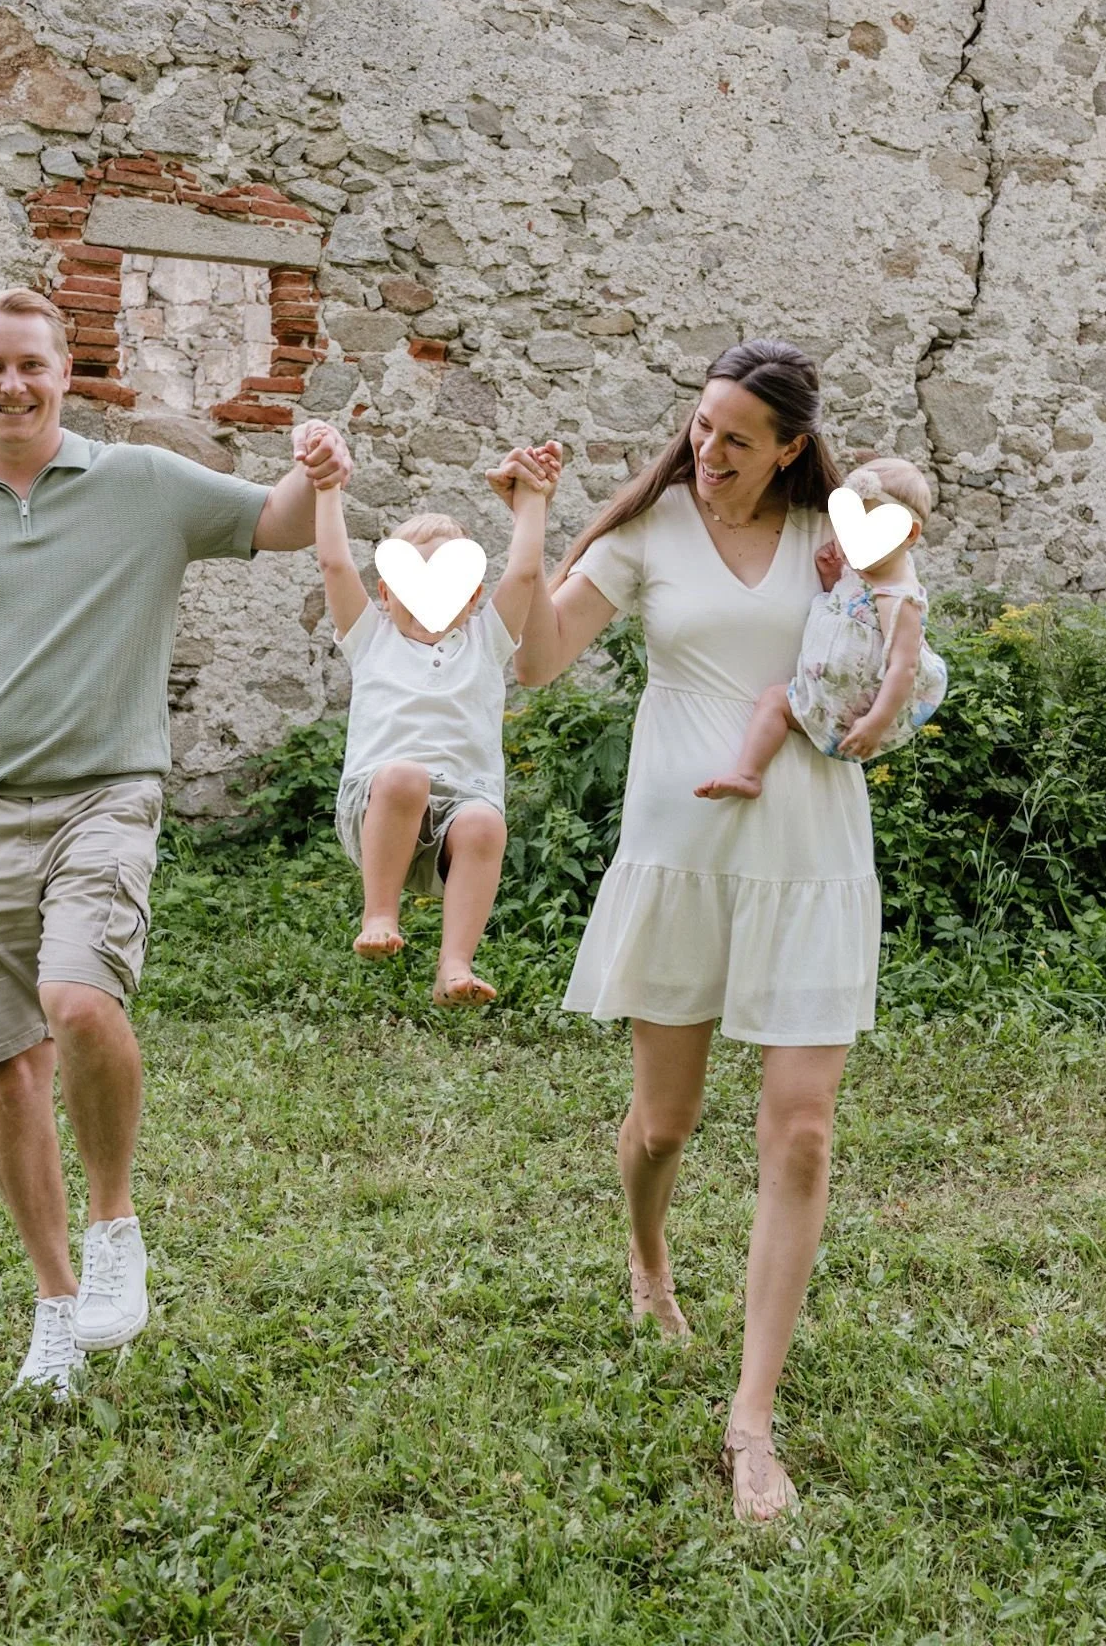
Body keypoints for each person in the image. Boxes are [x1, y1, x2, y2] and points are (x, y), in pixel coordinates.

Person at [0, 289, 353, 1399]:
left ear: (67, 372)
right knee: (5, 1069)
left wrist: (319, 463)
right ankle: (55, 1303)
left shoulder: (139, 483)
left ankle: (113, 1225)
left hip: (105, 792)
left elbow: (280, 521)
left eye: (33, 364)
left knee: (81, 1001)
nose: (13, 383)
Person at [496, 340, 881, 1523]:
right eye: (702, 426)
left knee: (802, 1133)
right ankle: (649, 1257)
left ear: (792, 451)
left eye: (736, 438)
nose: (708, 452)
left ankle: (751, 1423)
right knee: (665, 1121)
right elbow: (538, 657)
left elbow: (893, 663)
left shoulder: (842, 539)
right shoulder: (651, 528)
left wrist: (878, 714)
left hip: (811, 854)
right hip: (682, 852)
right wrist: (528, 521)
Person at [306, 427, 559, 1005]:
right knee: (406, 776)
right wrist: (328, 488)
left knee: (486, 823)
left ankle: (454, 968)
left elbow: (522, 574)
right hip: (380, 807)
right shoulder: (370, 637)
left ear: (472, 598)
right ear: (386, 593)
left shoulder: (486, 640)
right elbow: (333, 564)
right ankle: (380, 915)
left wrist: (533, 500)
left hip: (458, 812)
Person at [695, 455, 947, 798]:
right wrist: (832, 581)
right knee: (775, 702)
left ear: (907, 534)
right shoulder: (863, 572)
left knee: (774, 700)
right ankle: (748, 776)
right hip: (825, 694)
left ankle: (748, 773)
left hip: (851, 713)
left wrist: (876, 723)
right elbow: (850, 619)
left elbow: (904, 667)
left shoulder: (899, 600)